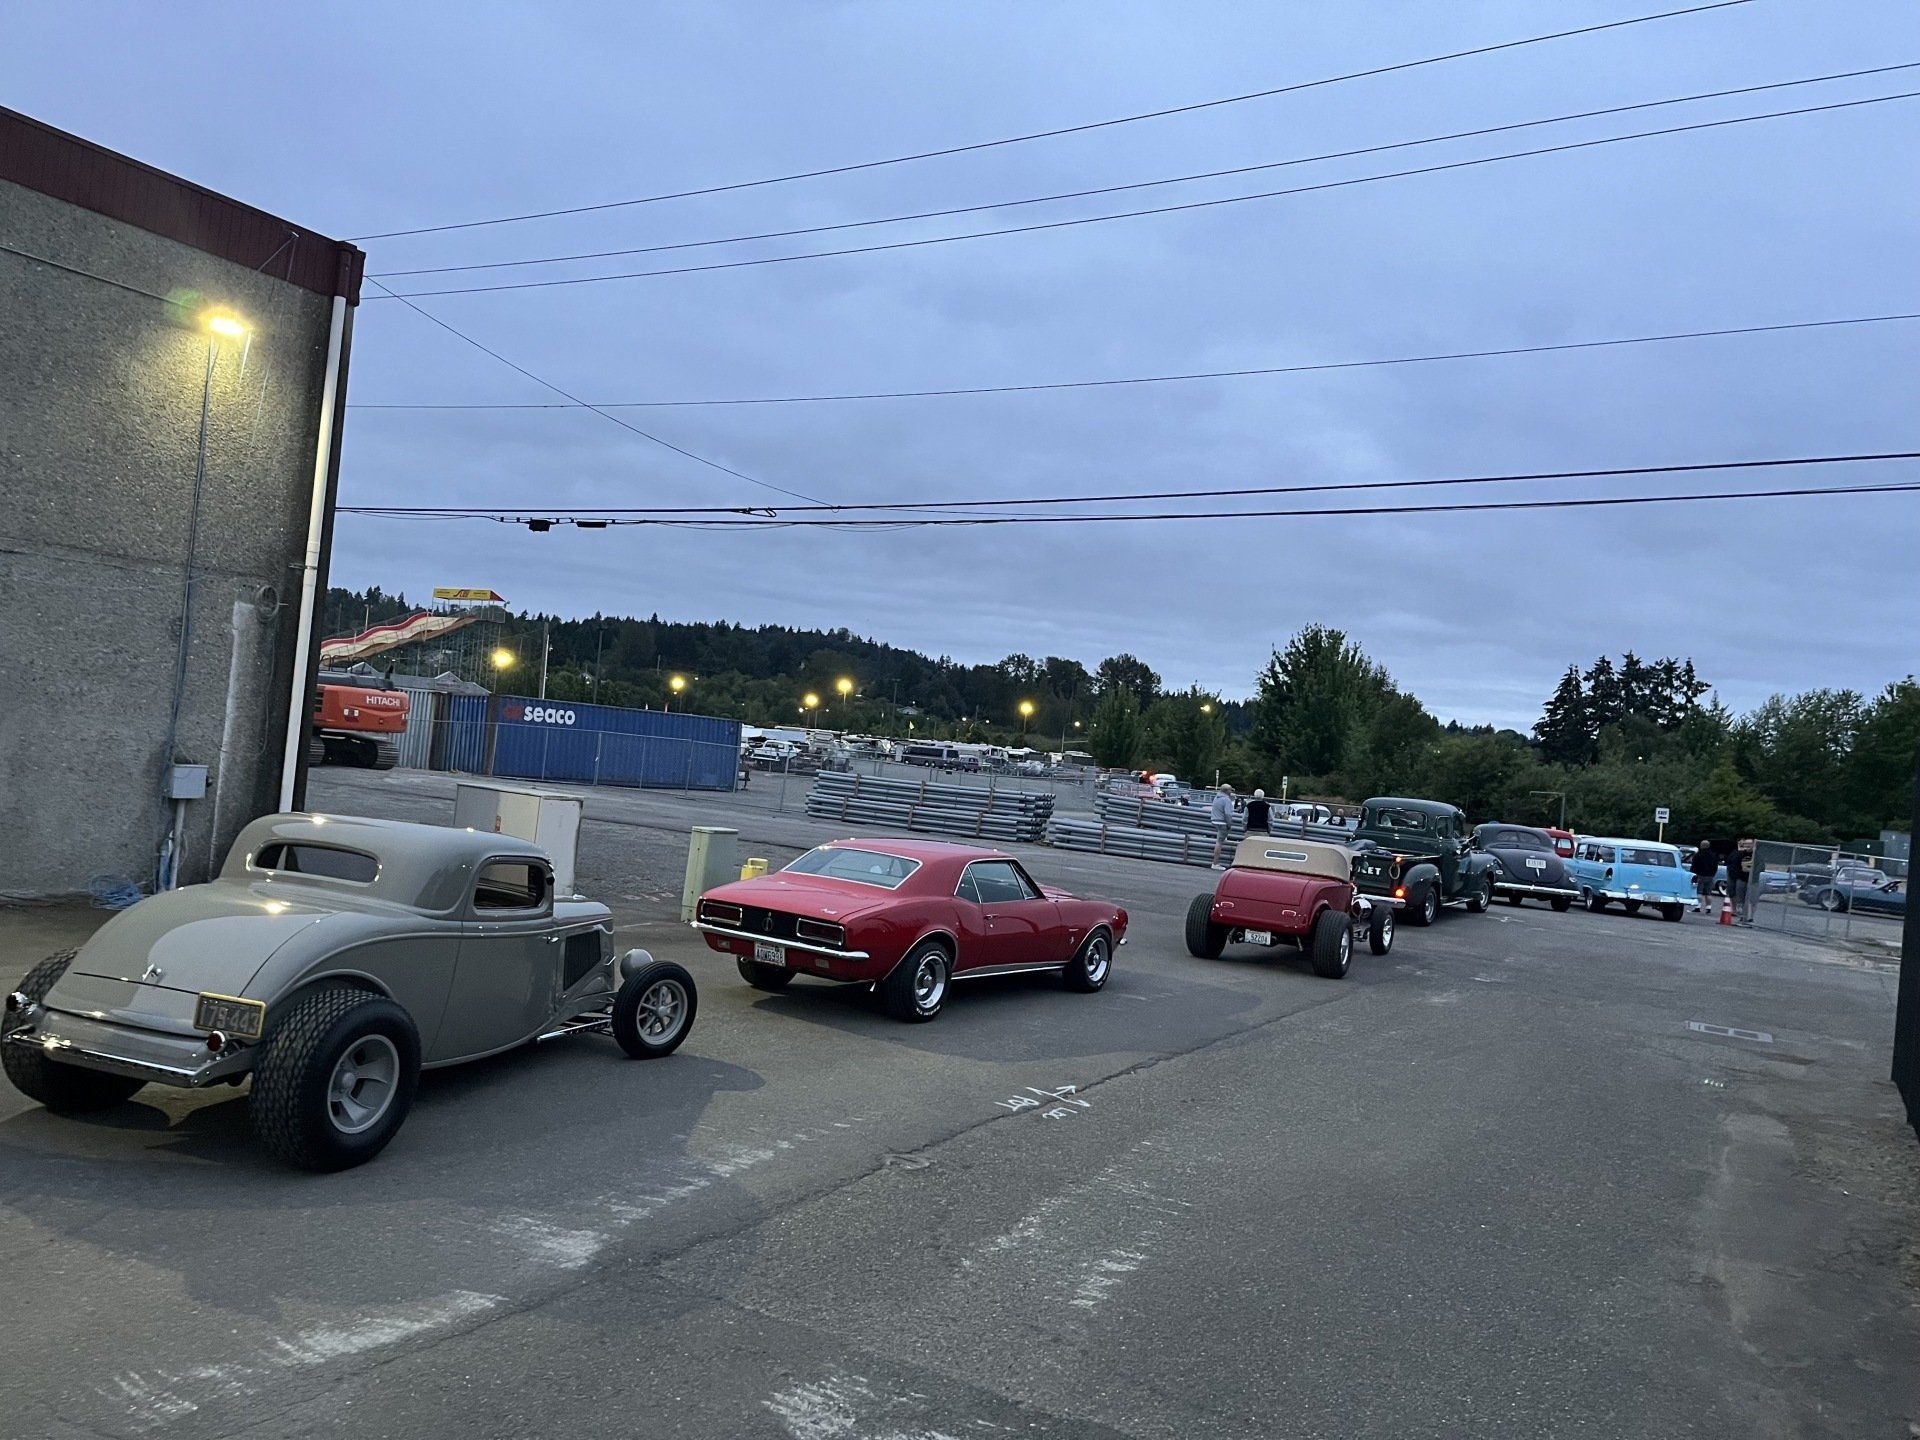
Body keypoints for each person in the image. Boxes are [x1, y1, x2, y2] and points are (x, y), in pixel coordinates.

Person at [1209, 783, 1236, 868]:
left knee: (1220, 838)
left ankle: (1224, 838)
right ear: (1227, 791)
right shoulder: (1226, 800)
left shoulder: (1217, 797)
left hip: (1215, 820)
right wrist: (1229, 824)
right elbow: (1228, 814)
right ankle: (1215, 863)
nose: (1231, 791)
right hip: (1222, 822)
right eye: (1230, 790)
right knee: (1219, 843)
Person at [1689, 838, 1718, 912]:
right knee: (1708, 893)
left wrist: (1693, 874)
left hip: (1700, 875)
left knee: (1699, 892)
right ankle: (1708, 907)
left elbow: (1694, 865)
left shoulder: (1698, 855)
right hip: (1710, 876)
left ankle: (1698, 906)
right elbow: (1715, 866)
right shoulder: (1713, 855)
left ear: (1701, 845)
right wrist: (1712, 874)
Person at [1726, 839, 1750, 921]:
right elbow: (1728, 861)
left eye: (1743, 842)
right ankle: (1734, 909)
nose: (1741, 844)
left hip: (1741, 876)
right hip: (1731, 875)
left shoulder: (1745, 854)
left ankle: (1742, 911)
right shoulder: (1734, 852)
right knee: (1732, 892)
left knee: (1740, 894)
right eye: (1739, 842)